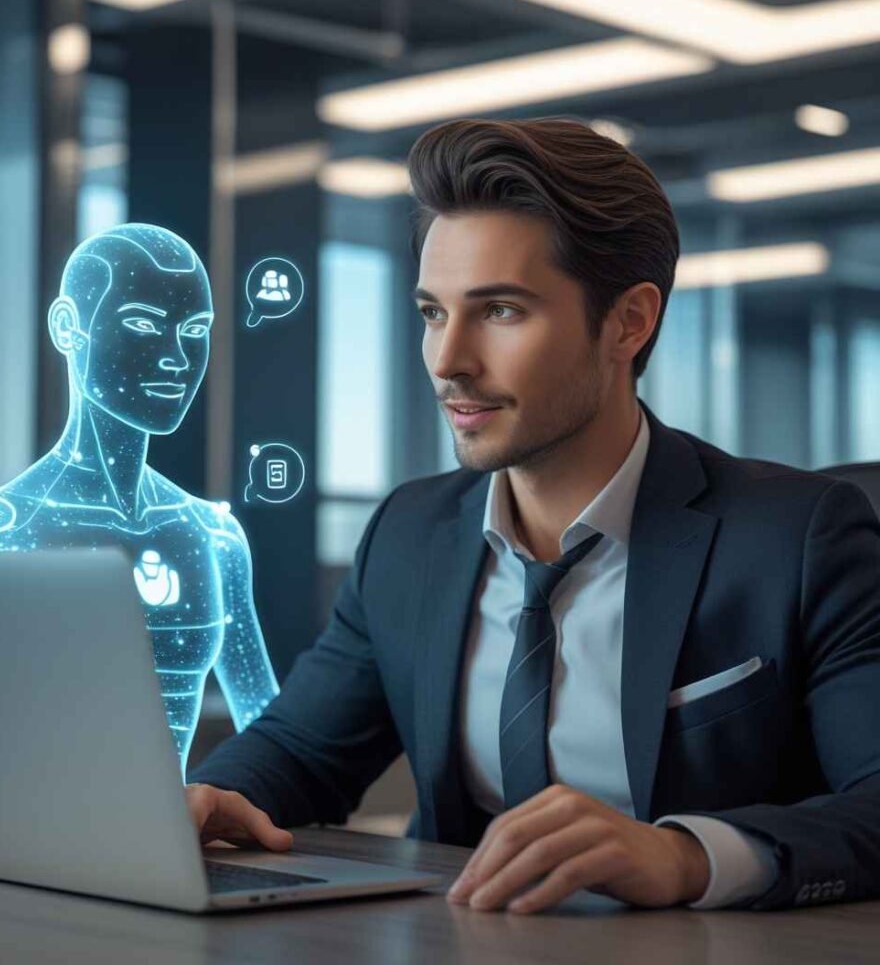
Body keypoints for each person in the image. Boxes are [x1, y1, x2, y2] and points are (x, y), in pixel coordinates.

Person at [196, 116, 880, 913]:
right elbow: (300, 751)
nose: (448, 361)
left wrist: (684, 856)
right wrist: (208, 798)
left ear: (629, 322)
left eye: (501, 312)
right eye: (430, 313)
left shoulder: (798, 539)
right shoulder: (409, 536)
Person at [0, 223, 278, 769]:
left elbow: (272, 736)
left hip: (175, 848)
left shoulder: (213, 534)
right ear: (69, 327)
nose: (176, 357)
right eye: (143, 324)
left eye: (195, 330)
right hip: (28, 845)